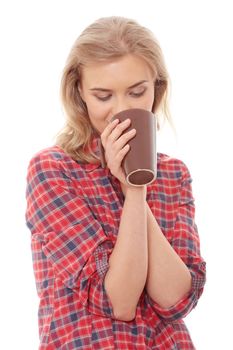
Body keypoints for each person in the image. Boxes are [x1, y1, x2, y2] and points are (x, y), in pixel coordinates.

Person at [25, 16, 206, 349]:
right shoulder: (53, 170)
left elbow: (174, 300)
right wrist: (135, 192)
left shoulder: (174, 175)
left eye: (137, 93)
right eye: (103, 96)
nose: (121, 110)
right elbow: (118, 302)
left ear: (156, 89)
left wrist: (134, 182)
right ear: (80, 93)